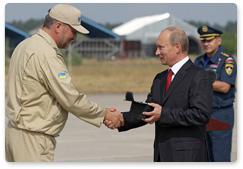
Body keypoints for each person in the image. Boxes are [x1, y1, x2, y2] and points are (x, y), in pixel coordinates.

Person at [5, 4, 124, 162]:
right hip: (33, 141)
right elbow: (70, 99)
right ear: (59, 26)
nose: (75, 38)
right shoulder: (46, 53)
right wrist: (105, 114)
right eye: (73, 31)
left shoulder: (24, 45)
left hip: (14, 133)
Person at [105, 27, 213, 162]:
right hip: (162, 155)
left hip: (188, 156)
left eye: (161, 47)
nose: (157, 52)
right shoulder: (160, 78)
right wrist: (121, 118)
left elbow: (201, 114)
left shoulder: (199, 75)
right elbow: (148, 110)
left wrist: (164, 114)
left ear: (177, 47)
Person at [194, 25, 237, 162]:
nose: (206, 44)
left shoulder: (227, 60)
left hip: (220, 114)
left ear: (219, 41)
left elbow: (224, 86)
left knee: (220, 158)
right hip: (201, 114)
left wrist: (201, 82)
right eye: (203, 41)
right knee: (203, 158)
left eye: (210, 40)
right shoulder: (198, 61)